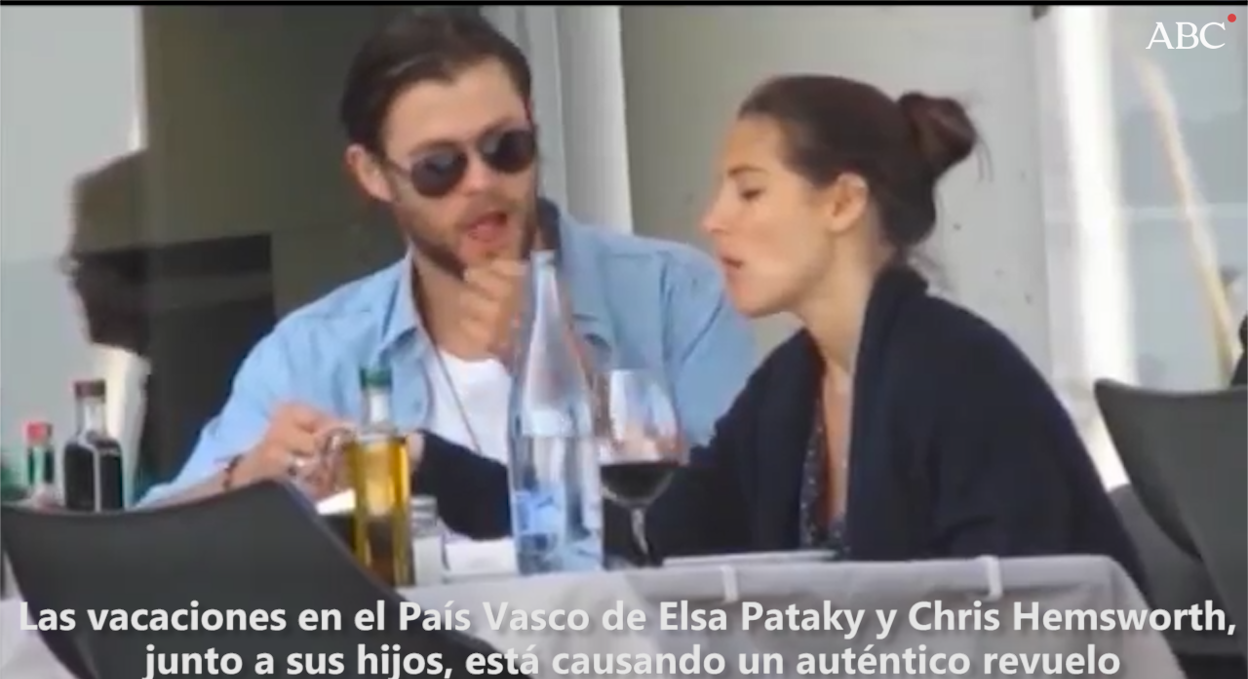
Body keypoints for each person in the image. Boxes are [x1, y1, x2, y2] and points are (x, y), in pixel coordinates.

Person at [397, 72, 1146, 586]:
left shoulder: (960, 377)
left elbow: (1024, 628)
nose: (712, 219)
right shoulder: (792, 386)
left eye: (749, 191)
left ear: (843, 202)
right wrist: (421, 460)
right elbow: (650, 533)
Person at [139, 8, 757, 523]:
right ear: (372, 174)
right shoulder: (316, 352)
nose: (482, 182)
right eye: (440, 166)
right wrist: (246, 481)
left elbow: (740, 522)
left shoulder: (673, 295)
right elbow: (145, 543)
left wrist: (563, 370)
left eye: (506, 147)